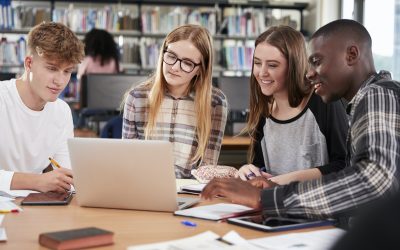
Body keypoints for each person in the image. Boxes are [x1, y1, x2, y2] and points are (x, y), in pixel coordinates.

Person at [201, 19, 400, 220]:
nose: (310, 73)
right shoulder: (363, 102)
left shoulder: (377, 95)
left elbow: (376, 180)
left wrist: (268, 199)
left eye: (317, 61)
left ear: (352, 55)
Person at [234, 25, 348, 185]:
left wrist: (283, 180)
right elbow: (261, 168)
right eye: (257, 63)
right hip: (275, 205)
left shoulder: (323, 101)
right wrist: (250, 170)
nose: (261, 72)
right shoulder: (264, 111)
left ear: (293, 67)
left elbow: (344, 166)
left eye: (272, 65)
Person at [122, 24, 228, 178]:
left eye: (187, 63)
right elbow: (127, 161)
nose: (175, 67)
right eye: (171, 56)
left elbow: (207, 169)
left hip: (191, 192)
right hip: (144, 187)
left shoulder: (215, 102)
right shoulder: (137, 98)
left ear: (200, 69)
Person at [0, 22, 84, 193]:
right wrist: (37, 181)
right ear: (29, 63)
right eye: (52, 68)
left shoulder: (61, 111)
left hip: (35, 206)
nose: (60, 81)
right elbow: (41, 182)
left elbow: (65, 174)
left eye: (67, 71)